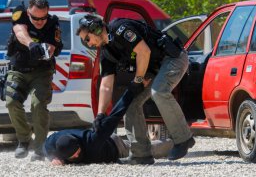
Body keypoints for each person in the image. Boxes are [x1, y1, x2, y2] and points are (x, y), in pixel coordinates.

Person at [76, 14, 195, 165]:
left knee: (159, 91)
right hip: (152, 70)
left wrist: (137, 80)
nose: (89, 44)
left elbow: (144, 52)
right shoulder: (107, 52)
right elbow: (106, 85)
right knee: (131, 104)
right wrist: (100, 115)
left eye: (87, 39)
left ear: (96, 29)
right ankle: (141, 154)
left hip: (172, 58)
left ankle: (183, 139)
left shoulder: (120, 29)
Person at [44, 85, 174, 165]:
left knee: (148, 150)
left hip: (116, 146)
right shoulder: (54, 143)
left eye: (78, 152)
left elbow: (115, 115)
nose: (78, 156)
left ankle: (172, 143)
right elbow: (45, 147)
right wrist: (53, 158)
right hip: (102, 142)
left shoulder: (92, 141)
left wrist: (134, 88)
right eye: (73, 157)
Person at [5, 0, 63, 161]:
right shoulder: (20, 15)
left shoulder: (53, 23)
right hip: (19, 69)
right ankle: (24, 141)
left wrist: (46, 51)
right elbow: (20, 32)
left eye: (43, 18)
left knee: (38, 105)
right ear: (28, 12)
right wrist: (31, 45)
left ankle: (40, 148)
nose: (39, 21)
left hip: (42, 71)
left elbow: (53, 47)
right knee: (11, 102)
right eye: (35, 18)